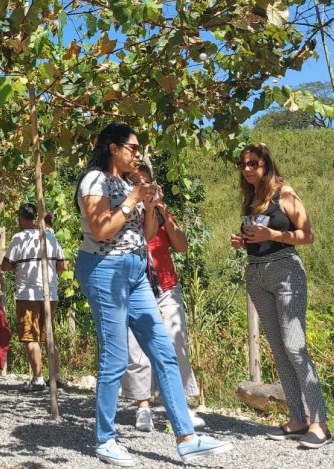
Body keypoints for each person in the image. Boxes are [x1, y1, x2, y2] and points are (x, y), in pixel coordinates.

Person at [75, 122, 231, 466]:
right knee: (115, 357)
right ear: (113, 148)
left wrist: (150, 206)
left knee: (164, 351)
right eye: (132, 148)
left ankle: (186, 438)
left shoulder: (125, 183)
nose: (137, 154)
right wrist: (133, 199)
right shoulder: (95, 180)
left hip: (136, 270)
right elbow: (100, 230)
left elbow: (145, 235)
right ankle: (105, 439)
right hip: (105, 269)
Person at [230, 144, 330, 449]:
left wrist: (274, 235)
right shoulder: (252, 198)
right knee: (279, 349)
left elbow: (307, 235)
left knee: (295, 347)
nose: (247, 169)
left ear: (267, 165)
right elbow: (257, 237)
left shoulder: (285, 193)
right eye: (243, 164)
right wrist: (243, 241)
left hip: (286, 270)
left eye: (253, 163)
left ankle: (320, 423)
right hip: (256, 274)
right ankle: (298, 419)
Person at [120, 163, 204, 432]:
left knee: (176, 342)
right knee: (136, 349)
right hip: (136, 286)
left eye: (147, 183)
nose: (144, 188)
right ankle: (142, 406)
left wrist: (164, 213)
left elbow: (182, 245)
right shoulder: (125, 212)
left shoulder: (162, 212)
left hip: (166, 285)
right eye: (137, 183)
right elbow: (144, 237)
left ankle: (179, 405)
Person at [0, 202, 67, 392]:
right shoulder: (50, 237)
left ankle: (38, 379)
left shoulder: (18, 238)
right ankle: (56, 377)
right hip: (50, 293)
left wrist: (21, 266)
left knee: (31, 337)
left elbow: (5, 266)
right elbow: (62, 267)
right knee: (50, 335)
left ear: (22, 218)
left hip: (27, 294)